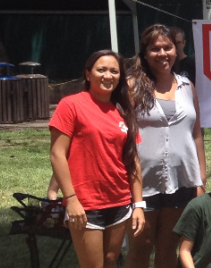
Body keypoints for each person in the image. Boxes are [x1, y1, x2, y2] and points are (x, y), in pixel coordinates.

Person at [49, 49, 145, 268]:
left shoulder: (123, 111)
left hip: (120, 202)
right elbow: (57, 154)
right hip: (85, 204)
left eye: (114, 71)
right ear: (88, 74)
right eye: (101, 70)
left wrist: (138, 204)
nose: (108, 76)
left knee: (111, 261)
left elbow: (133, 161)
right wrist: (71, 199)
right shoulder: (71, 105)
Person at [124, 24, 208, 268]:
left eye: (167, 47)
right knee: (141, 248)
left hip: (181, 181)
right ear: (145, 52)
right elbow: (125, 138)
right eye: (155, 48)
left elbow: (196, 135)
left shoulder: (187, 87)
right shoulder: (132, 87)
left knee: (168, 248)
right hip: (143, 182)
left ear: (176, 49)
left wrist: (200, 179)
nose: (162, 53)